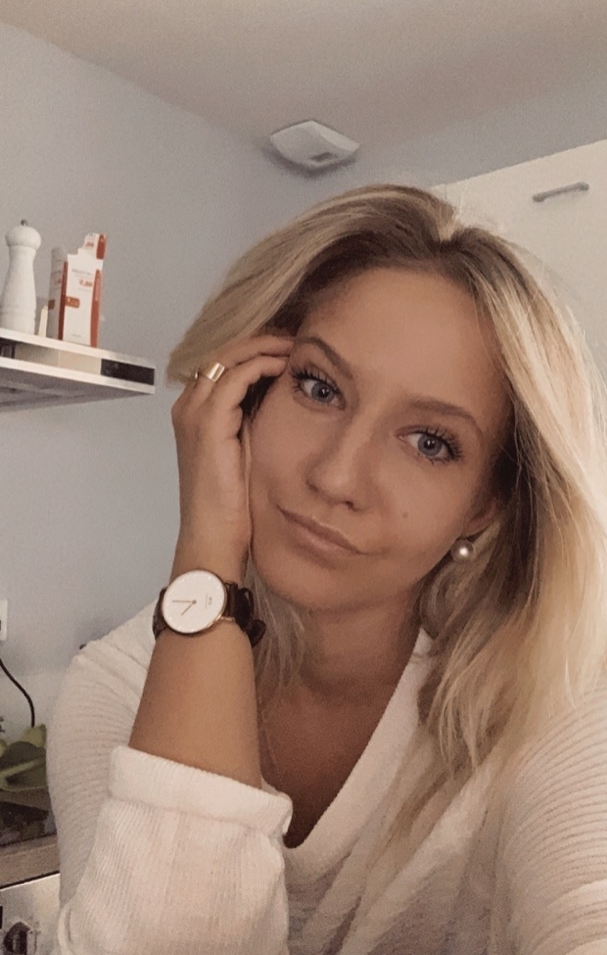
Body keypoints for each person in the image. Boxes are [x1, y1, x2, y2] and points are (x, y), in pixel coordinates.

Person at [47, 185, 607, 955]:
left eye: (430, 442)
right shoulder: (117, 688)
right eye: (319, 388)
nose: (337, 476)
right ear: (242, 397)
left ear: (484, 504)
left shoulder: (555, 693)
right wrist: (206, 554)